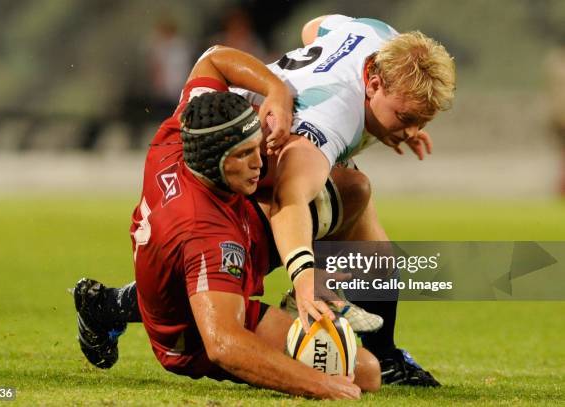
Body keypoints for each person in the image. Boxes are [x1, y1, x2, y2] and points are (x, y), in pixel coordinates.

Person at [75, 14, 455, 387]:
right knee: (343, 207)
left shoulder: (376, 37)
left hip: (199, 184)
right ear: (372, 82)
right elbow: (289, 203)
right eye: (406, 116)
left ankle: (109, 304)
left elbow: (302, 32)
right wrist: (305, 279)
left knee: (354, 195)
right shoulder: (321, 128)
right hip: (200, 257)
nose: (413, 129)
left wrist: (276, 88)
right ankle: (112, 305)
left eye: (423, 120)